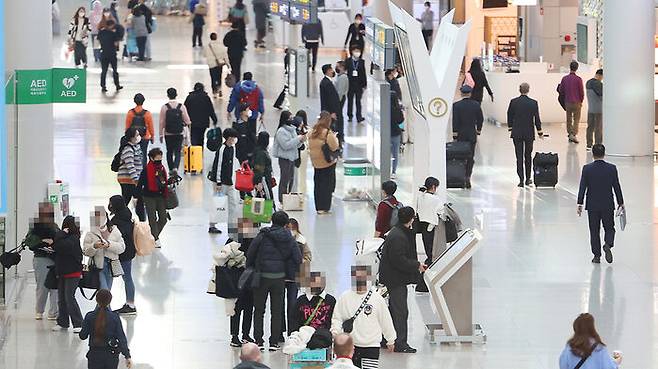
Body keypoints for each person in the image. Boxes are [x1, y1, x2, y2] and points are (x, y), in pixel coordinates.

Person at [246, 211, 302, 351]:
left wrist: (252, 267)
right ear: (286, 223)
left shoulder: (263, 235)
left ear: (271, 220)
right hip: (279, 278)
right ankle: (274, 342)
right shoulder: (289, 238)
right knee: (277, 311)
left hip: (262, 277)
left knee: (259, 309)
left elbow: (250, 253)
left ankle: (258, 340)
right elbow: (298, 258)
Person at [378, 206, 425, 353]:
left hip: (393, 277)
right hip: (395, 279)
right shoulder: (399, 236)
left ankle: (388, 339)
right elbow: (399, 260)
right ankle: (400, 343)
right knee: (400, 311)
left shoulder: (398, 232)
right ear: (411, 219)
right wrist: (416, 265)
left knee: (393, 309)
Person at [331, 265, 396, 369]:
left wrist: (390, 339)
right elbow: (337, 317)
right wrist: (335, 333)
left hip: (371, 345)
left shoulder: (377, 299)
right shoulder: (345, 297)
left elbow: (385, 320)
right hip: (350, 346)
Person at [577, 144, 624, 264]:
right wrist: (620, 202)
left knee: (594, 231)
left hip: (592, 205)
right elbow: (616, 186)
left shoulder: (587, 169)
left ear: (592, 154)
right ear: (604, 153)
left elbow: (583, 186)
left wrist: (580, 203)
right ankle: (608, 243)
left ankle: (596, 256)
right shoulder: (611, 168)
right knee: (609, 228)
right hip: (607, 204)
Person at [79, 289, 132, 369]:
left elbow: (83, 336)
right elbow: (121, 338)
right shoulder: (115, 317)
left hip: (94, 355)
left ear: (96, 300)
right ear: (109, 301)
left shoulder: (89, 316)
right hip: (111, 356)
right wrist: (127, 356)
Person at [507, 82, 543, 187]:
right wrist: (539, 131)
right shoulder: (533, 103)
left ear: (519, 89)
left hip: (517, 132)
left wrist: (510, 127)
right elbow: (537, 118)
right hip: (529, 133)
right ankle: (528, 178)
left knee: (519, 156)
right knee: (528, 155)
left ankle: (521, 180)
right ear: (528, 90)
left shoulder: (514, 102)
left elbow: (509, 114)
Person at [51, 216, 84, 333]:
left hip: (73, 272)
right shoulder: (64, 238)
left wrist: (60, 234)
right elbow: (56, 246)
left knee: (69, 297)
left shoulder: (74, 238)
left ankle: (78, 323)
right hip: (62, 272)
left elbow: (60, 246)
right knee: (61, 299)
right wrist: (60, 235)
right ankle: (63, 322)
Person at [28, 202, 59, 321]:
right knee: (42, 286)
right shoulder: (35, 226)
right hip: (41, 258)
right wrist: (45, 242)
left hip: (54, 259)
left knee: (54, 287)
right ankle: (39, 311)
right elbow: (30, 242)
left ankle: (53, 312)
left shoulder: (54, 226)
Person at [82, 207, 126, 291]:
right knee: (104, 291)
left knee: (106, 293)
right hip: (97, 266)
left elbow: (122, 248)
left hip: (111, 265)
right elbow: (85, 251)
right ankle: (104, 304)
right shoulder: (91, 233)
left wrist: (109, 244)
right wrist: (94, 246)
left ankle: (102, 304)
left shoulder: (114, 230)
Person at [108, 195, 138, 315]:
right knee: (128, 278)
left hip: (121, 253)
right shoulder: (127, 214)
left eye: (110, 203)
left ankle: (129, 306)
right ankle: (130, 303)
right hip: (129, 251)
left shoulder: (118, 221)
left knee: (112, 278)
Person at [209, 128, 241, 236]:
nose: (233, 140)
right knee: (219, 204)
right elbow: (218, 166)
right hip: (221, 182)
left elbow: (232, 164)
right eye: (232, 138)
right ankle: (212, 225)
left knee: (233, 205)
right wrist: (218, 182)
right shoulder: (222, 149)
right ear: (227, 138)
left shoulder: (233, 148)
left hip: (230, 181)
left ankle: (232, 227)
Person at [452, 85, 483, 188]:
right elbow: (480, 119)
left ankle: (461, 177)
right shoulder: (476, 104)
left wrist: (455, 134)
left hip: (461, 134)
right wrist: (478, 130)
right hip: (471, 134)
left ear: (461, 93)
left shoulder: (456, 105)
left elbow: (455, 121)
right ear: (470, 93)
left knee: (460, 157)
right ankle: (468, 177)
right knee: (470, 157)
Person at [309, 112, 339, 214]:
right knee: (327, 185)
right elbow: (334, 146)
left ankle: (318, 207)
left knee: (318, 185)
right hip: (327, 163)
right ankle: (325, 207)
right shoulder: (327, 133)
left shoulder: (312, 131)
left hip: (316, 163)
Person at [138, 148, 169, 248]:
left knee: (163, 218)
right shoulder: (146, 170)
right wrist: (137, 197)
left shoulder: (162, 168)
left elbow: (164, 182)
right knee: (152, 218)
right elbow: (140, 184)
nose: (159, 161)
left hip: (160, 196)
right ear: (151, 158)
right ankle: (155, 239)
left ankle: (151, 236)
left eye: (161, 158)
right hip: (149, 196)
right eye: (157, 159)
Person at [273, 111, 305, 203]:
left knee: (291, 179)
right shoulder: (281, 131)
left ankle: (289, 198)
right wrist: (297, 139)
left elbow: (296, 145)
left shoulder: (292, 129)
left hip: (292, 158)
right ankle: (282, 199)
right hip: (284, 159)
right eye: (290, 118)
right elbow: (286, 145)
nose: (291, 120)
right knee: (284, 179)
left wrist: (301, 141)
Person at [160, 87, 192, 173]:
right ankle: (175, 168)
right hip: (179, 132)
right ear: (176, 95)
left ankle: (170, 168)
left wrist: (160, 134)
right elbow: (187, 121)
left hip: (168, 133)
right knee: (178, 151)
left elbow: (162, 122)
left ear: (167, 95)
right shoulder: (181, 107)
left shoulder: (164, 107)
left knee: (169, 151)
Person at [116, 127, 145, 220]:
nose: (139, 136)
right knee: (129, 200)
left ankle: (120, 217)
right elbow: (130, 166)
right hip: (128, 180)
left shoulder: (136, 147)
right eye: (137, 135)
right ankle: (141, 221)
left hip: (132, 180)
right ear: (132, 137)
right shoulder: (128, 149)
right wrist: (136, 180)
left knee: (128, 200)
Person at [415, 177, 442, 265]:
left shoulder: (420, 196)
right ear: (433, 187)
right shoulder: (436, 199)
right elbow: (440, 211)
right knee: (433, 244)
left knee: (426, 243)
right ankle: (432, 260)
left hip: (422, 224)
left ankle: (429, 259)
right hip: (432, 224)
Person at [125, 93, 154, 168]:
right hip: (145, 136)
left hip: (133, 137)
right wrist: (152, 136)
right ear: (143, 101)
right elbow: (151, 126)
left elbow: (127, 126)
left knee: (133, 153)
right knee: (143, 154)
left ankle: (135, 168)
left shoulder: (130, 113)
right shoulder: (147, 113)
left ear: (134, 101)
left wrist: (127, 137)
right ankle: (143, 170)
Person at [184, 82, 218, 147]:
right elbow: (211, 110)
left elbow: (185, 110)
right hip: (203, 123)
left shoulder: (190, 97)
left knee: (193, 137)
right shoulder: (206, 97)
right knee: (201, 138)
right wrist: (214, 119)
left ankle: (194, 152)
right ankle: (200, 154)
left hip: (192, 122)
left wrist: (184, 121)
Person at [559, 61, 585, 143]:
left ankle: (570, 134)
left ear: (570, 67)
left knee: (569, 119)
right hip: (577, 102)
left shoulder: (564, 79)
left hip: (568, 102)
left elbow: (561, 91)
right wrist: (581, 101)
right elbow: (581, 92)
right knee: (576, 119)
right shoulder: (579, 79)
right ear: (577, 68)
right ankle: (573, 134)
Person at [97, 19, 123, 93]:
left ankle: (103, 86)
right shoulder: (113, 33)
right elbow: (116, 43)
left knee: (104, 71)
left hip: (104, 54)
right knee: (115, 70)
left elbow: (98, 41)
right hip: (112, 54)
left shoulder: (101, 32)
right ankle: (117, 85)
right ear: (111, 25)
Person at [320, 64, 342, 141]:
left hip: (328, 111)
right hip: (329, 112)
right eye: (331, 69)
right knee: (332, 129)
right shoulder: (327, 83)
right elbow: (329, 99)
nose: (333, 71)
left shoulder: (326, 82)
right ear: (328, 71)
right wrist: (332, 112)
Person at [345, 47, 367, 123]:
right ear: (352, 52)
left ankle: (359, 117)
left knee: (358, 101)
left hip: (358, 85)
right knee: (350, 101)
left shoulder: (361, 61)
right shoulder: (347, 61)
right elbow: (345, 72)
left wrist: (364, 84)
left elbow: (363, 73)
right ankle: (350, 116)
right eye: (356, 51)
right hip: (350, 84)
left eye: (358, 51)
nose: (357, 53)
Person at [252, 131, 275, 201]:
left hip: (263, 178)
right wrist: (259, 182)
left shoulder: (260, 151)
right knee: (268, 198)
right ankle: (271, 211)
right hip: (263, 179)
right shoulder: (261, 153)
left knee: (261, 198)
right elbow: (259, 168)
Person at [206, 32, 229, 97]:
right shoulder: (220, 45)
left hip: (211, 64)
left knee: (213, 78)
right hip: (219, 64)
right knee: (219, 76)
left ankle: (214, 92)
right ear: (216, 37)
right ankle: (219, 89)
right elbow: (225, 54)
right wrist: (227, 63)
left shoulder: (207, 46)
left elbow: (204, 54)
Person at [586, 69, 604, 149]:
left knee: (590, 127)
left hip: (590, 109)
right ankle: (598, 144)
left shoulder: (588, 82)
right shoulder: (598, 84)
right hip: (599, 109)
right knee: (598, 128)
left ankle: (589, 144)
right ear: (600, 75)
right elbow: (602, 95)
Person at [390, 90, 404, 179]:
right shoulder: (397, 109)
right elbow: (401, 120)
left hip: (386, 133)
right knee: (395, 154)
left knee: (385, 153)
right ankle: (393, 171)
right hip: (396, 133)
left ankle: (385, 169)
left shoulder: (384, 109)